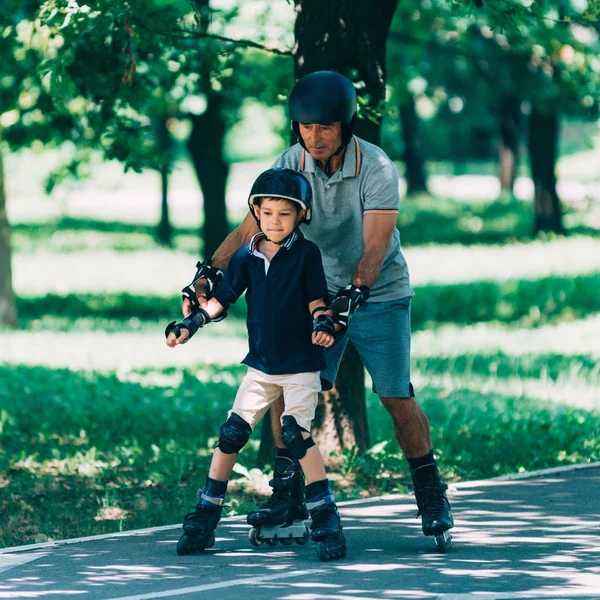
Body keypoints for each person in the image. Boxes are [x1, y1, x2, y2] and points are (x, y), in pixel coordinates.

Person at [182, 71, 454, 552]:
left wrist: (353, 293)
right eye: (305, 127)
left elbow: (377, 244)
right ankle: (289, 495)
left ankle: (431, 494)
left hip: (379, 292)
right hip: (309, 289)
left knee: (395, 395)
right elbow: (252, 228)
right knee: (287, 385)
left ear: (344, 124)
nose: (314, 136)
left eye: (324, 127)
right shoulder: (291, 162)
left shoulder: (376, 166)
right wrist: (208, 272)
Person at [168, 167, 347, 561]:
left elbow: (317, 300)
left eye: (284, 214)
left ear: (302, 215)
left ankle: (325, 516)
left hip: (300, 364)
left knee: (296, 435)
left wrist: (323, 323)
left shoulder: (306, 254)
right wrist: (191, 324)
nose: (275, 221)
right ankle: (206, 511)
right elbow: (222, 299)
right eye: (267, 214)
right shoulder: (247, 257)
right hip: (262, 366)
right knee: (232, 432)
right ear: (257, 214)